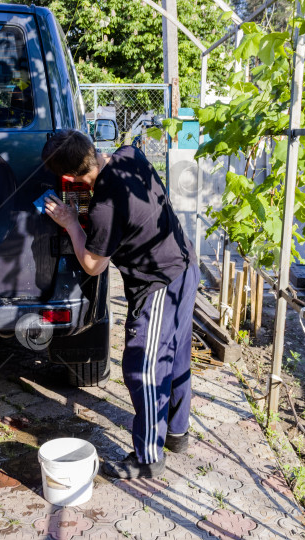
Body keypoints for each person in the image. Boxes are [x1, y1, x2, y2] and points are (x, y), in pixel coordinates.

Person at [41, 129, 199, 479]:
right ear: (91, 148)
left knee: (143, 369)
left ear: (69, 178)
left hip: (159, 284)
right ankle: (176, 433)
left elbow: (94, 264)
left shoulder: (105, 208)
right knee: (176, 356)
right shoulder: (130, 155)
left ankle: (147, 459)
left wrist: (70, 223)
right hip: (187, 265)